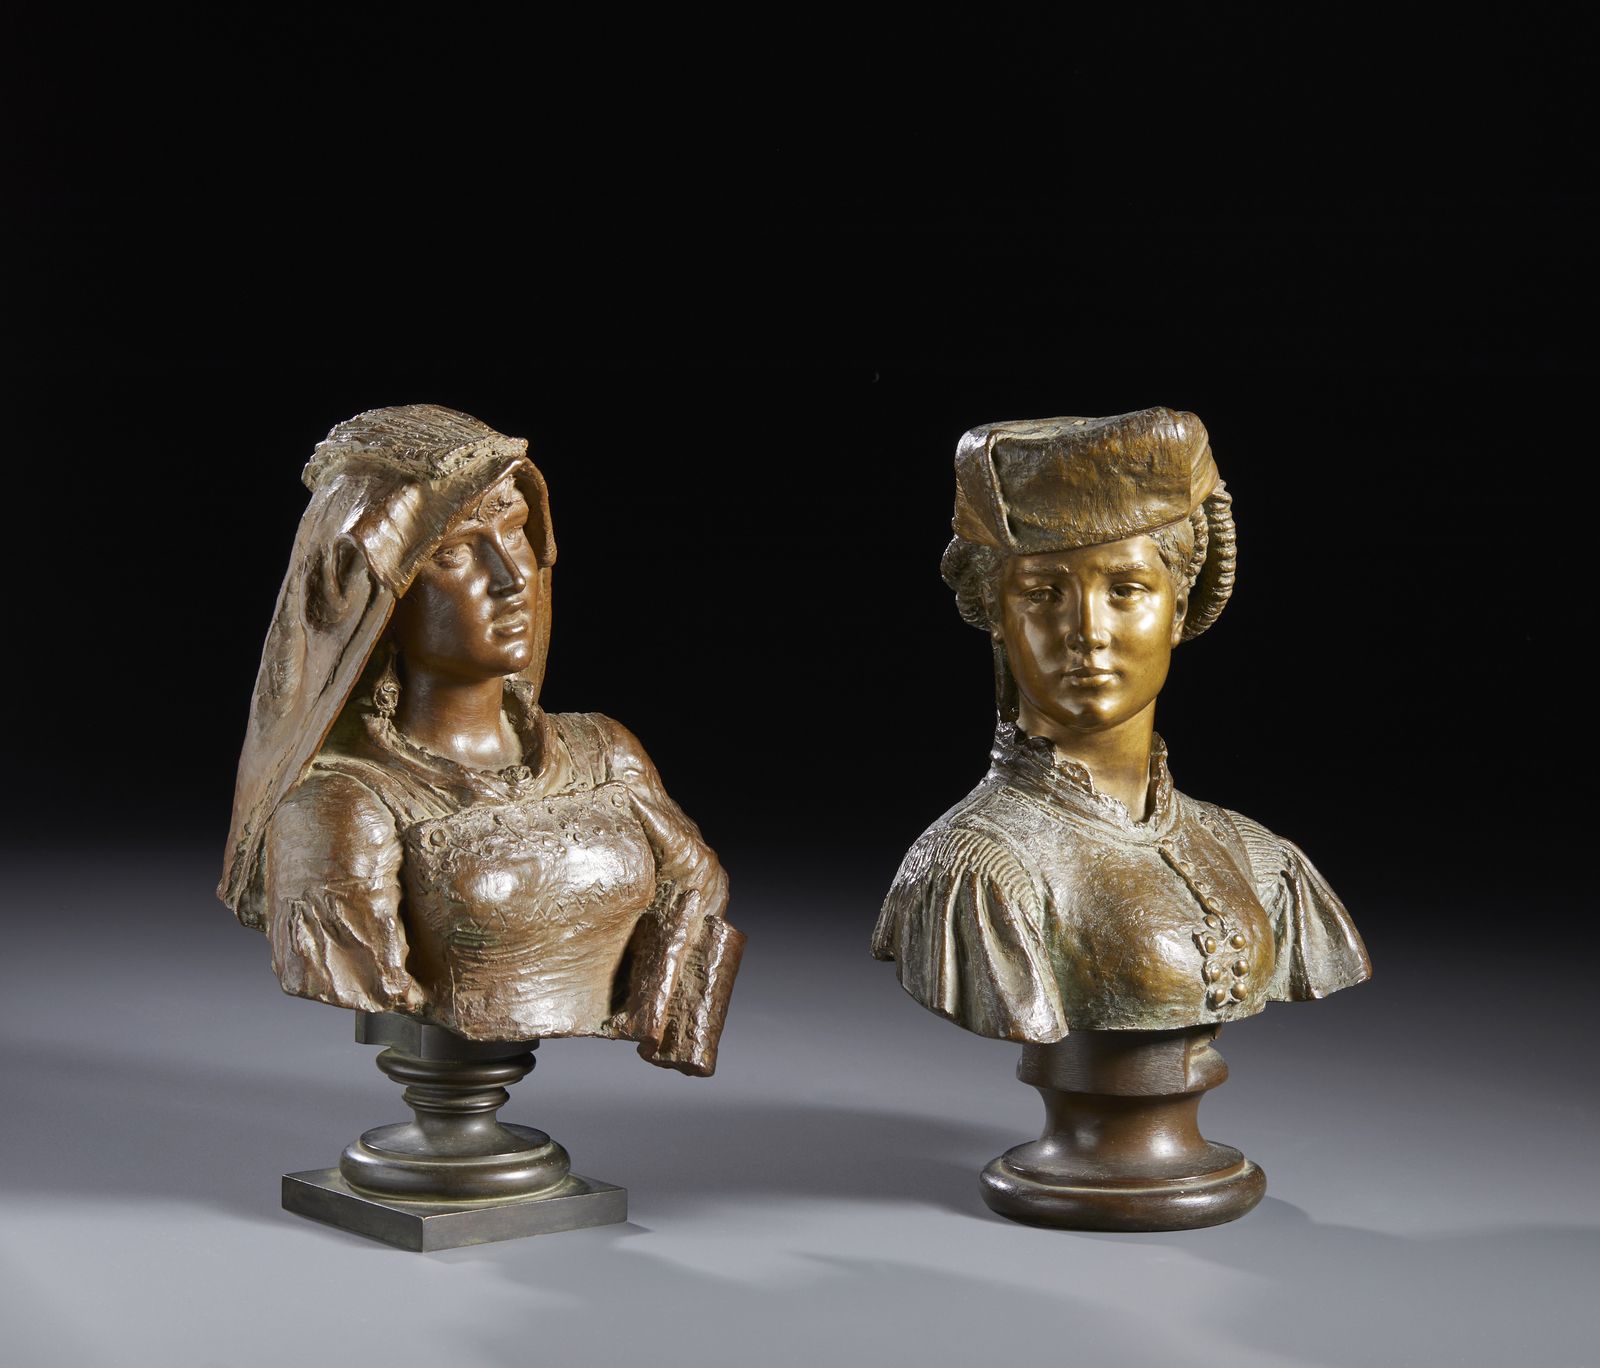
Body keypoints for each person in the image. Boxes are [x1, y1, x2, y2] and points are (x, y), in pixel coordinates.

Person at [220, 405, 741, 1076]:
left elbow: (698, 886)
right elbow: (364, 970)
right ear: (380, 596)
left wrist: (662, 989)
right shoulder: (343, 807)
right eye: (455, 551)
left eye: (516, 530)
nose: (511, 576)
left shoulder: (605, 752)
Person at [872, 408, 1369, 1041]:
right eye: (1043, 593)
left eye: (1126, 589)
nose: (1088, 632)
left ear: (1178, 606)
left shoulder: (1257, 857)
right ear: (996, 613)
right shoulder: (975, 868)